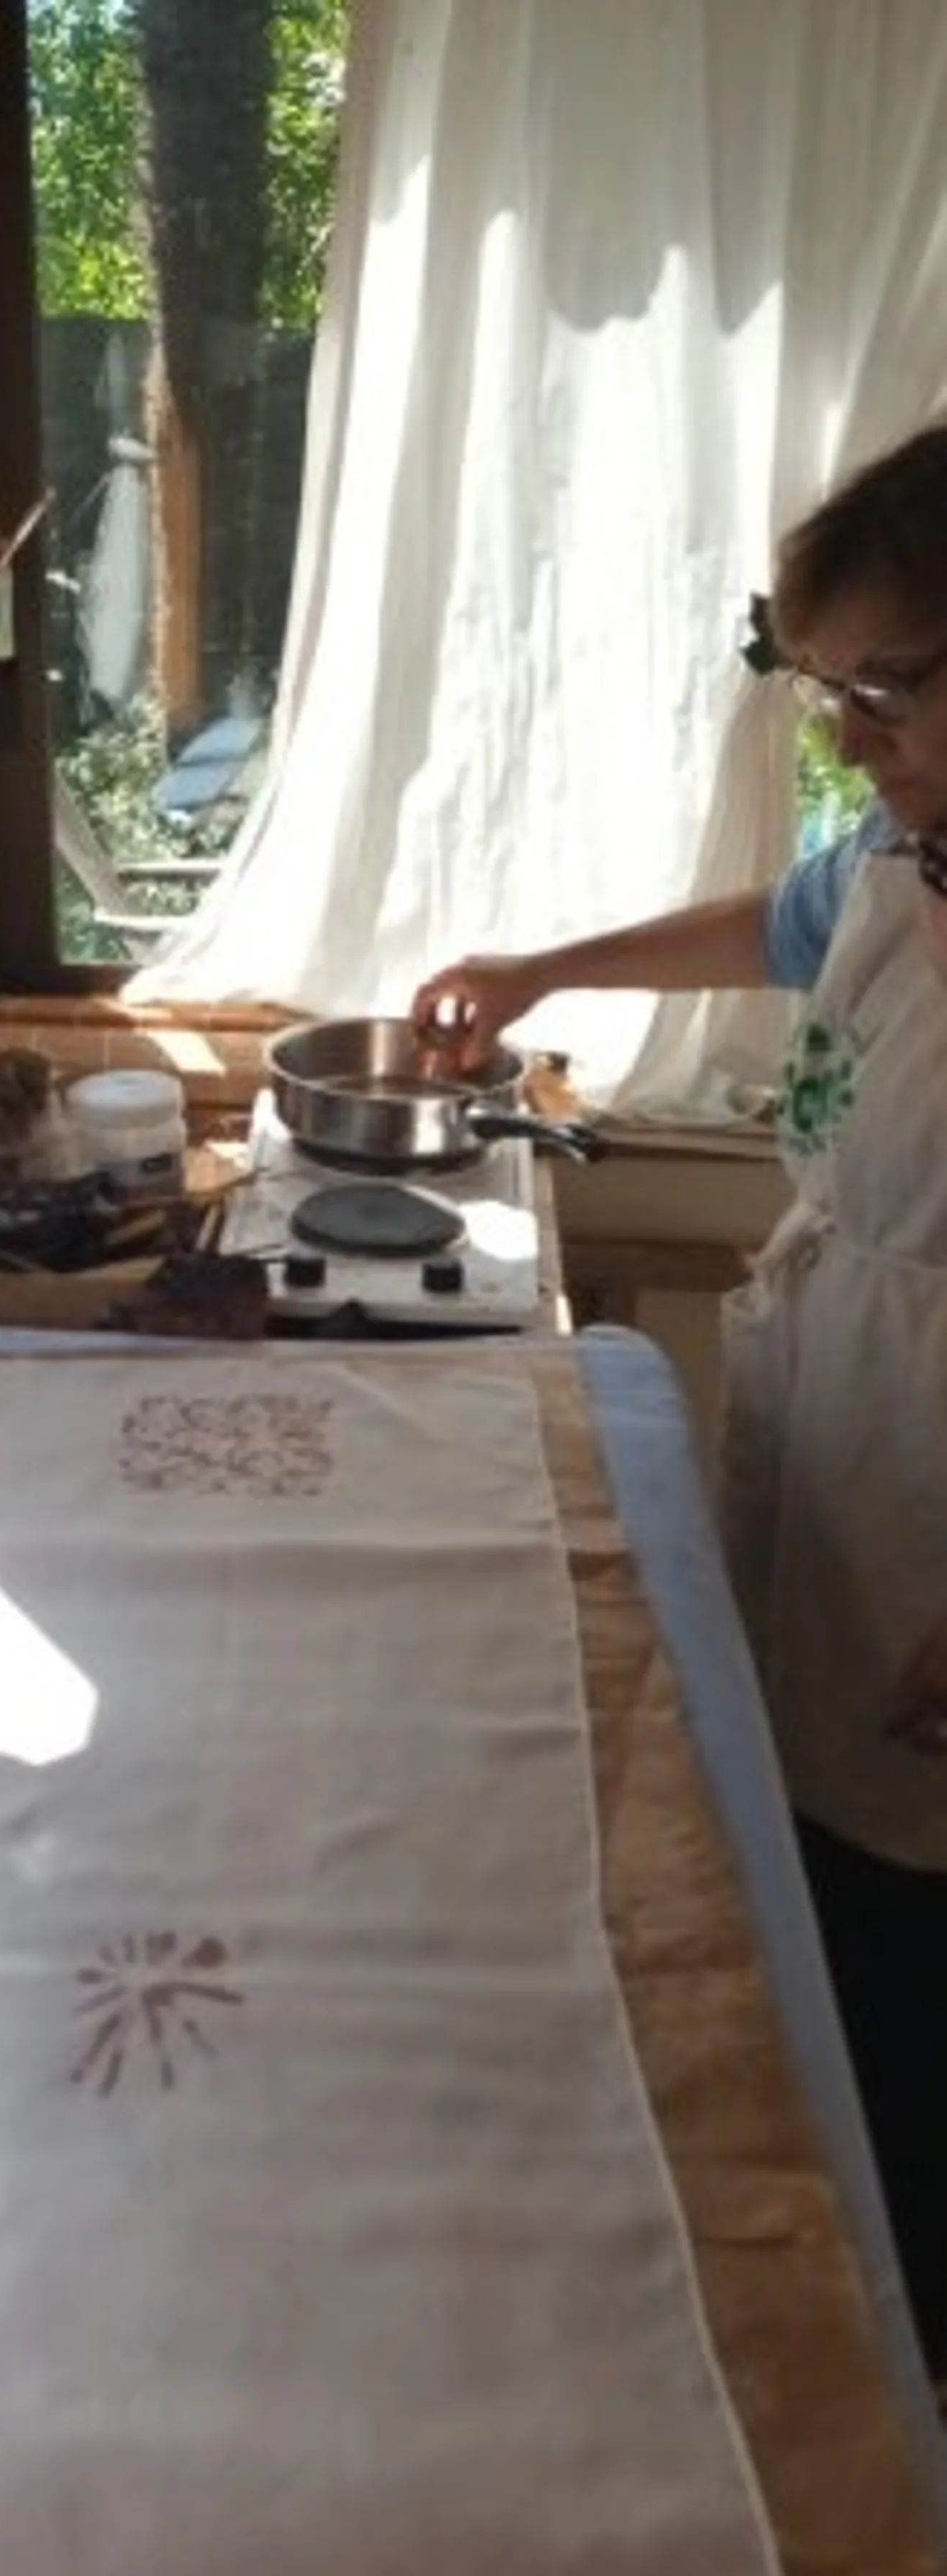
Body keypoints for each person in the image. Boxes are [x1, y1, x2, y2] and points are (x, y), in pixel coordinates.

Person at [413, 423, 947, 2386]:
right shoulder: (900, 859)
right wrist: (544, 964)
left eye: (890, 689)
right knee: (794, 1843)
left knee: (912, 1924)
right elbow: (769, 926)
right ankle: (802, 2241)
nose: (852, 739)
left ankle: (889, 2375)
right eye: (828, 692)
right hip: (850, 1415)